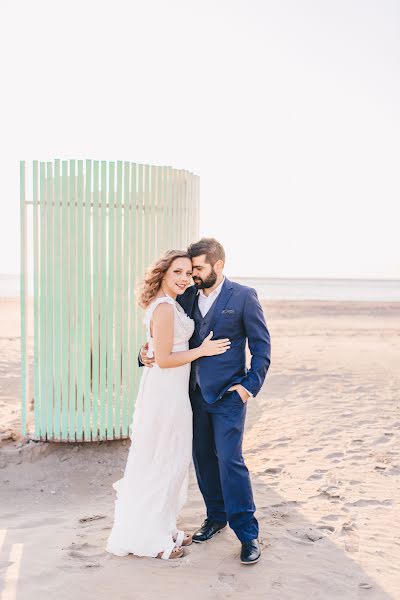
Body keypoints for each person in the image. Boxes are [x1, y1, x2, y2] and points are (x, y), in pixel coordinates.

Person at [140, 238, 271, 565]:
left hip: (229, 395)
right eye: (189, 269)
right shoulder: (185, 296)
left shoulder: (242, 297)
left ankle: (247, 532)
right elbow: (164, 335)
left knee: (230, 460)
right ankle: (216, 517)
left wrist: (247, 387)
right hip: (189, 396)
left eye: (198, 268)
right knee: (202, 459)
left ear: (219, 265)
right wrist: (143, 356)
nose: (192, 275)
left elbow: (261, 349)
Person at [106, 249, 231, 560]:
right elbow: (163, 359)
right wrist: (201, 351)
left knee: (170, 459)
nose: (184, 278)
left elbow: (157, 349)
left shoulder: (171, 305)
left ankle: (161, 527)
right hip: (164, 393)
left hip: (173, 393)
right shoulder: (163, 307)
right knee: (161, 461)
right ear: (162, 273)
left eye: (188, 273)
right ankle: (151, 540)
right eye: (177, 272)